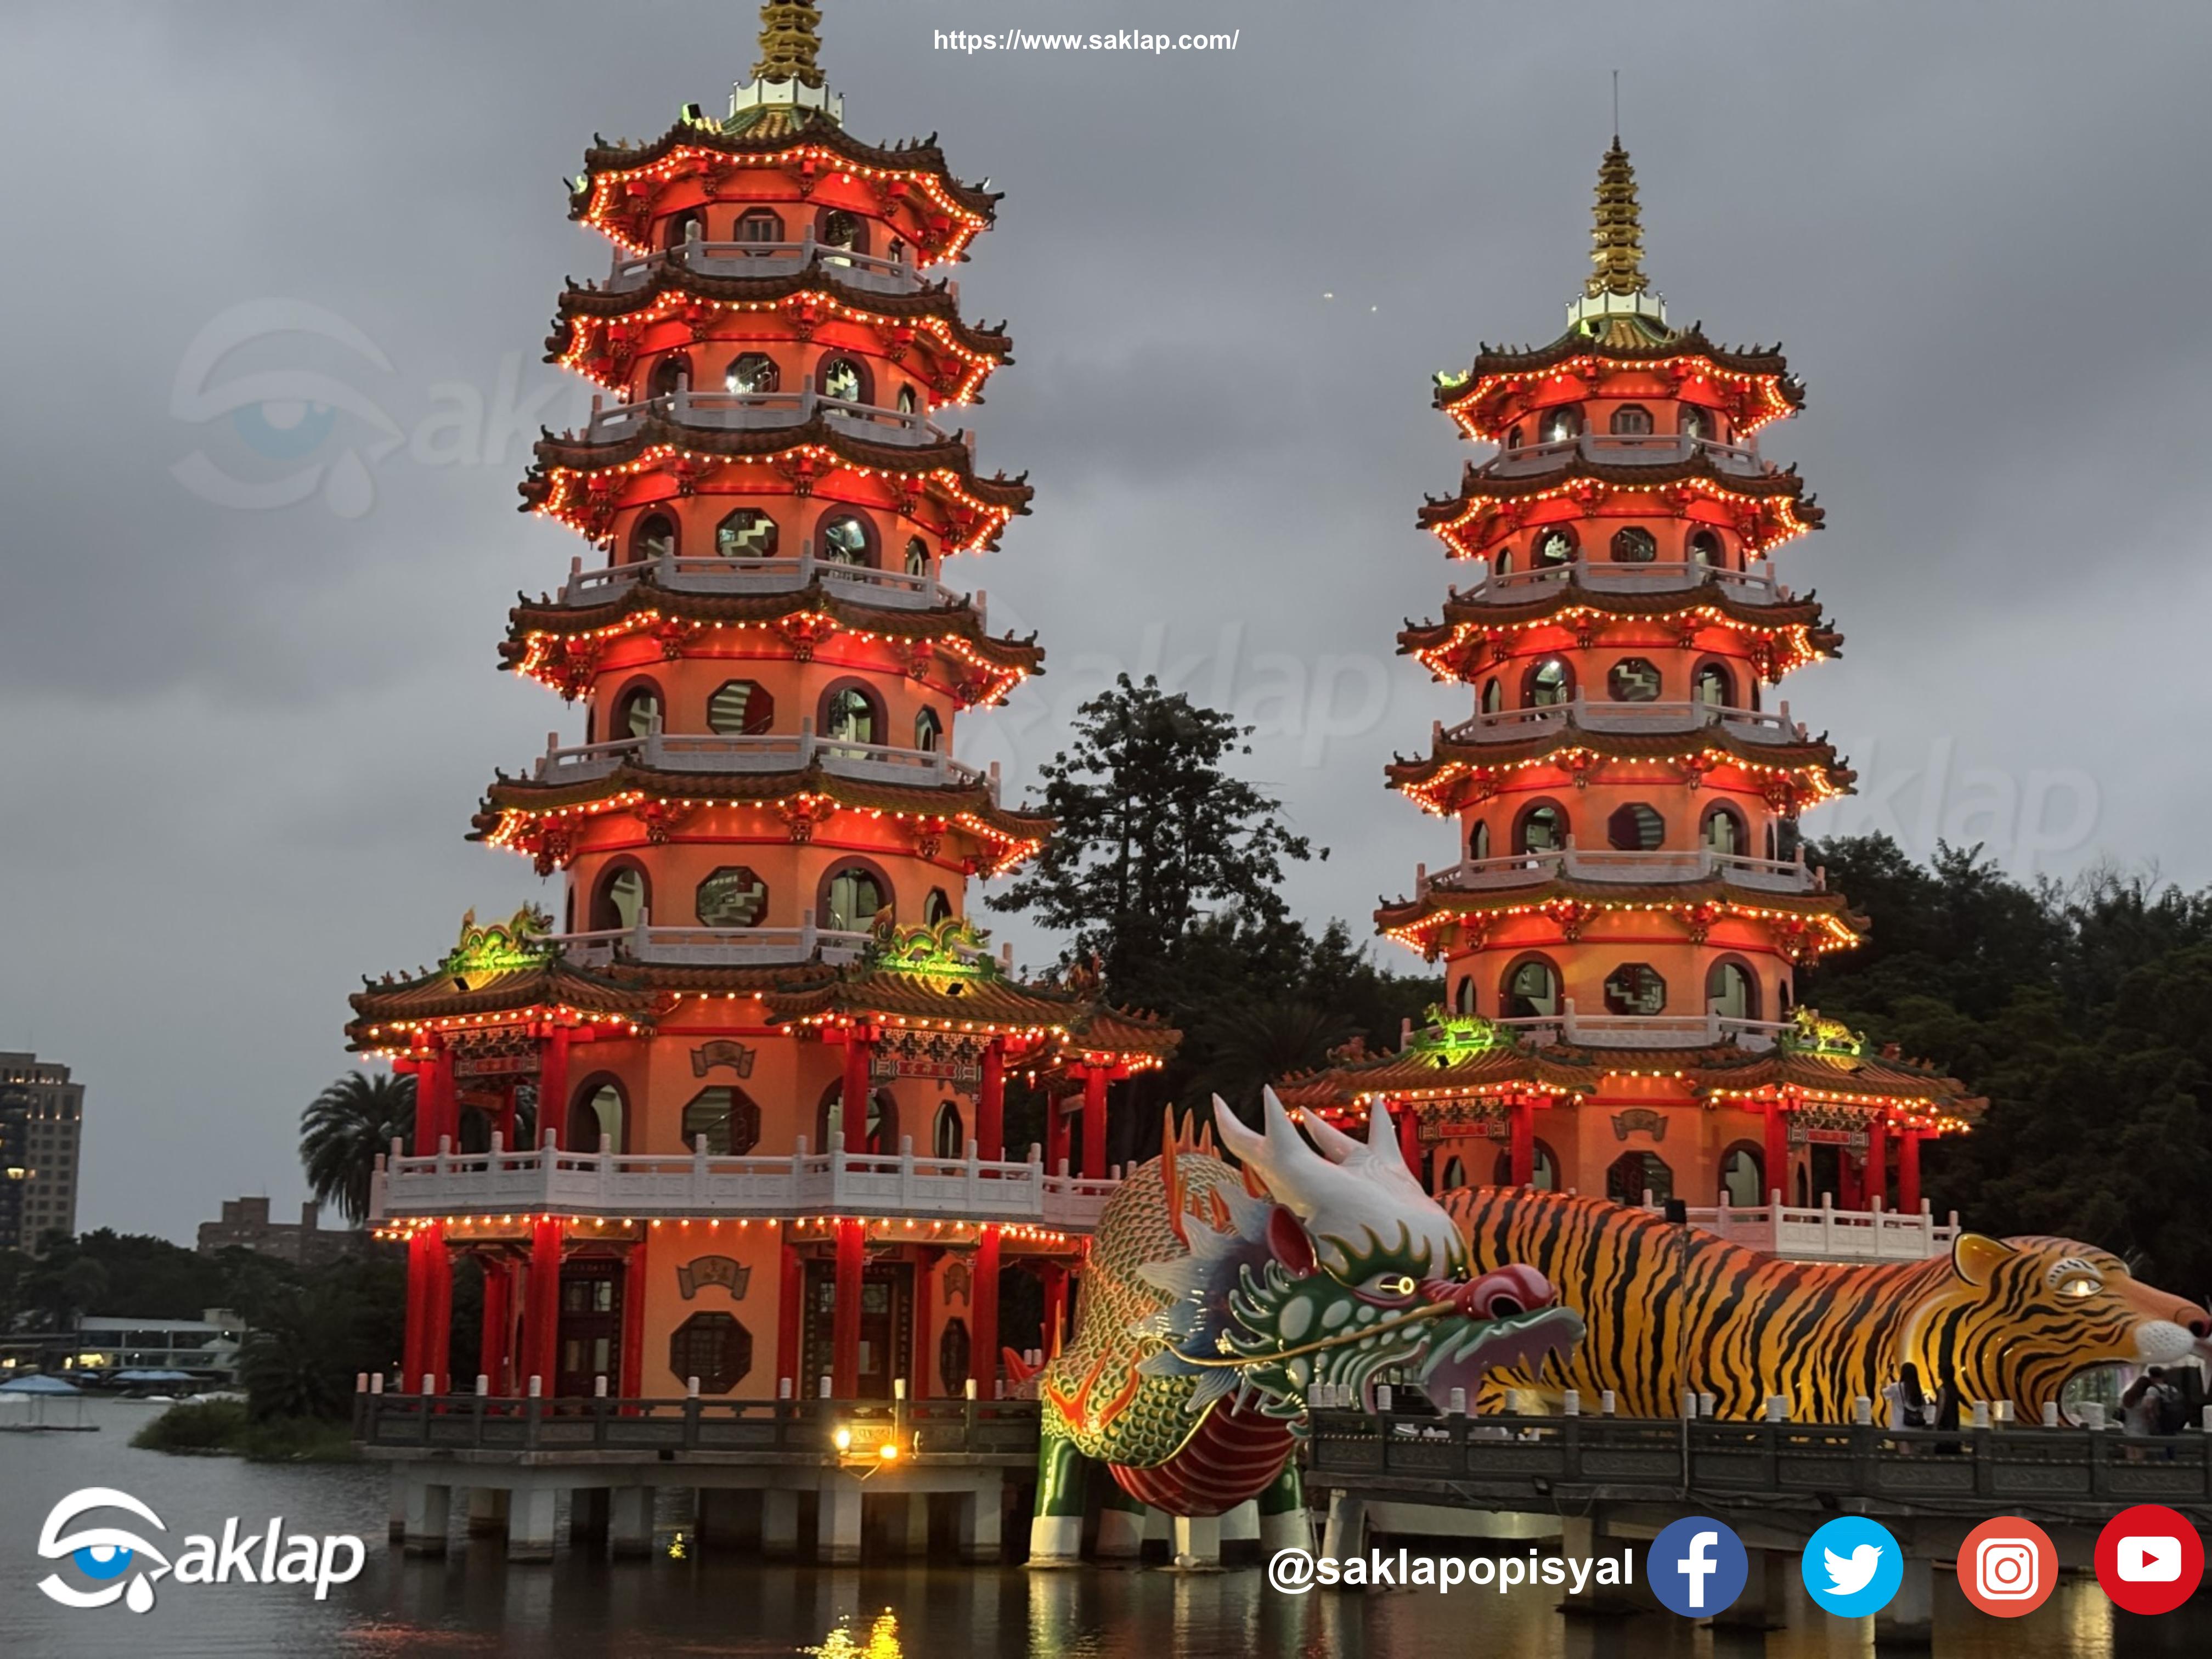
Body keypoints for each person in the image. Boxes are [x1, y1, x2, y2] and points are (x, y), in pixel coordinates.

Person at [1882, 1363, 1926, 1434]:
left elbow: (1883, 1391)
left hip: (1899, 1428)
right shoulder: (1918, 1390)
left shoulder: (1896, 1387)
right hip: (1916, 1429)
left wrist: (1887, 1375)